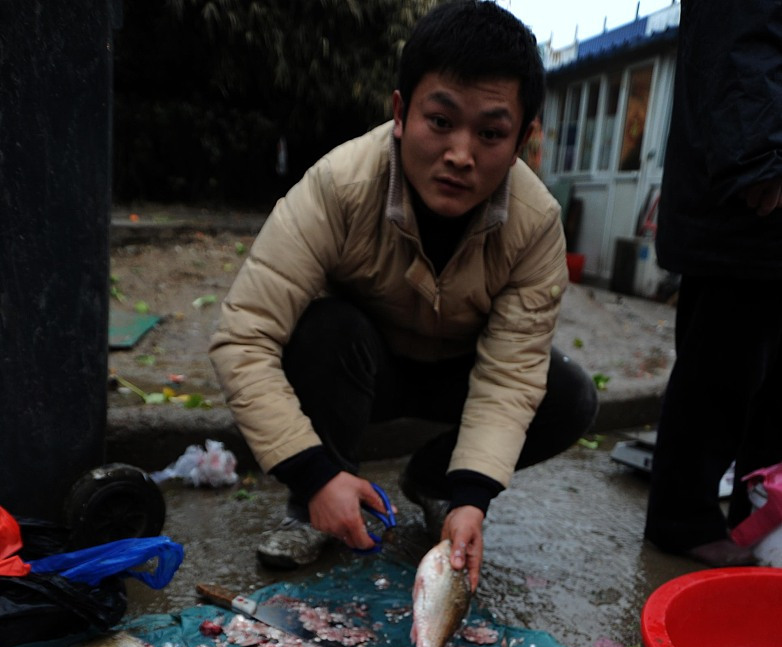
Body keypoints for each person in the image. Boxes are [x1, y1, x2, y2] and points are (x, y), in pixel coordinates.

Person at [210, 0, 597, 591]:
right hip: (364, 367)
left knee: (568, 393)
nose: (460, 155)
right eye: (440, 121)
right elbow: (244, 335)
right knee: (324, 329)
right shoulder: (339, 184)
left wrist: (474, 495)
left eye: (491, 133)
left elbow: (511, 375)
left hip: (457, 377)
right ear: (400, 112)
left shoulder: (538, 223)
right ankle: (316, 502)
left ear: (522, 139)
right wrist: (313, 474)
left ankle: (435, 483)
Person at [644, 0, 782, 568]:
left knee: (771, 382)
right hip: (746, 203)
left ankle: (759, 516)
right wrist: (760, 156)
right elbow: (742, 32)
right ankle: (683, 517)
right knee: (723, 368)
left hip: (756, 206)